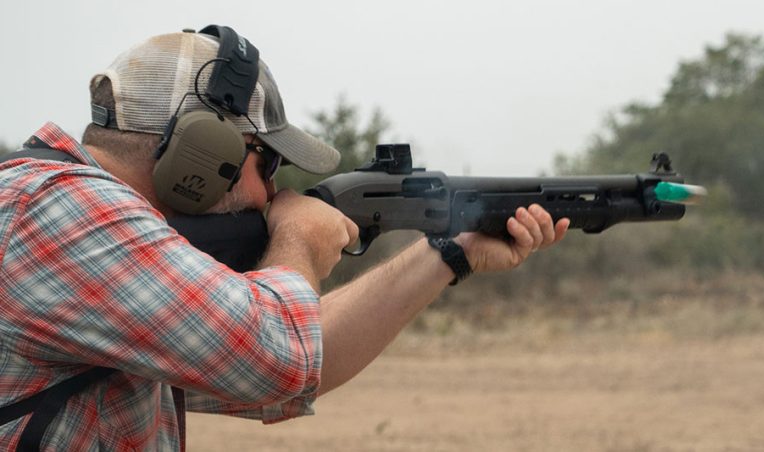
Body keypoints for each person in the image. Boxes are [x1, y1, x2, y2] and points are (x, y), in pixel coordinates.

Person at [0, 26, 569, 450]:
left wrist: (450, 252)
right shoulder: (53, 209)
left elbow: (289, 377)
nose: (272, 192)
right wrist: (297, 241)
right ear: (204, 152)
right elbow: (276, 360)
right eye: (266, 162)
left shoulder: (76, 223)